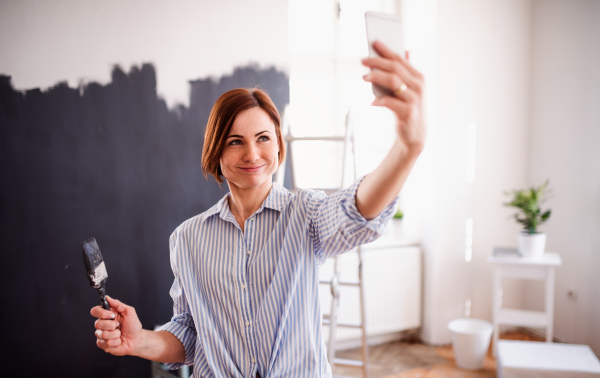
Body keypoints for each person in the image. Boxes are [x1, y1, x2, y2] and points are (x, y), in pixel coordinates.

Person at [91, 40, 425, 378]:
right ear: (216, 152)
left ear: (279, 144)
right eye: (235, 141)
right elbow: (191, 335)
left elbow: (355, 210)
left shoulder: (305, 214)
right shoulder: (187, 239)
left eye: (263, 138)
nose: (252, 154)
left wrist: (408, 148)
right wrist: (139, 341)